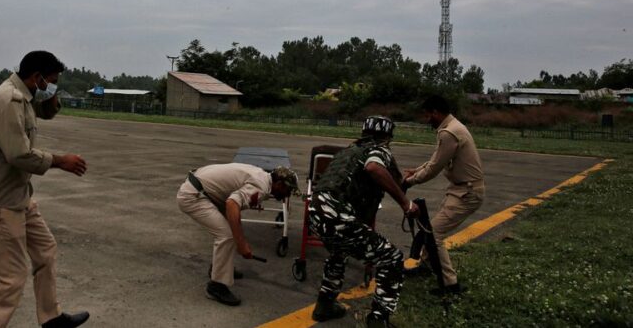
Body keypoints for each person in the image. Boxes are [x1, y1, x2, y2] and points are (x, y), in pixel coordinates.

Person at [0, 51, 90, 328]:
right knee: (10, 279)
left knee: (45, 250)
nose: (53, 85)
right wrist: (61, 161)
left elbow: (46, 112)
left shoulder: (26, 96)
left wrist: (51, 93)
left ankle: (51, 318)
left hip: (18, 196)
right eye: (52, 81)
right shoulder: (9, 100)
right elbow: (18, 154)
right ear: (37, 77)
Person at [310, 116, 419, 327]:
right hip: (337, 212)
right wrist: (406, 204)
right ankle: (379, 320)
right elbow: (374, 168)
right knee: (392, 258)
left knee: (339, 252)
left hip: (316, 210)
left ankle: (324, 305)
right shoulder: (379, 150)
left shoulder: (349, 151)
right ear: (387, 137)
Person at [176, 163, 299, 306]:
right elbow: (232, 204)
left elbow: (234, 209)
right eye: (288, 189)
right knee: (226, 235)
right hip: (193, 196)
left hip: (201, 189)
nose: (288, 194)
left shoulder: (262, 176)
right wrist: (241, 244)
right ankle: (216, 286)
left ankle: (221, 269)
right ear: (278, 183)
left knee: (232, 230)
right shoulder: (261, 187)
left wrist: (240, 237)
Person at [402, 95, 485, 295]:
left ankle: (450, 285)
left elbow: (433, 169)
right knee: (431, 229)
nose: (426, 119)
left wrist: (408, 182)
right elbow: (434, 161)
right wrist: (416, 171)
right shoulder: (452, 128)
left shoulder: (449, 133)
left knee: (434, 235)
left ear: (436, 112)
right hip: (460, 190)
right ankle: (427, 265)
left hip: (467, 192)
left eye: (427, 115)